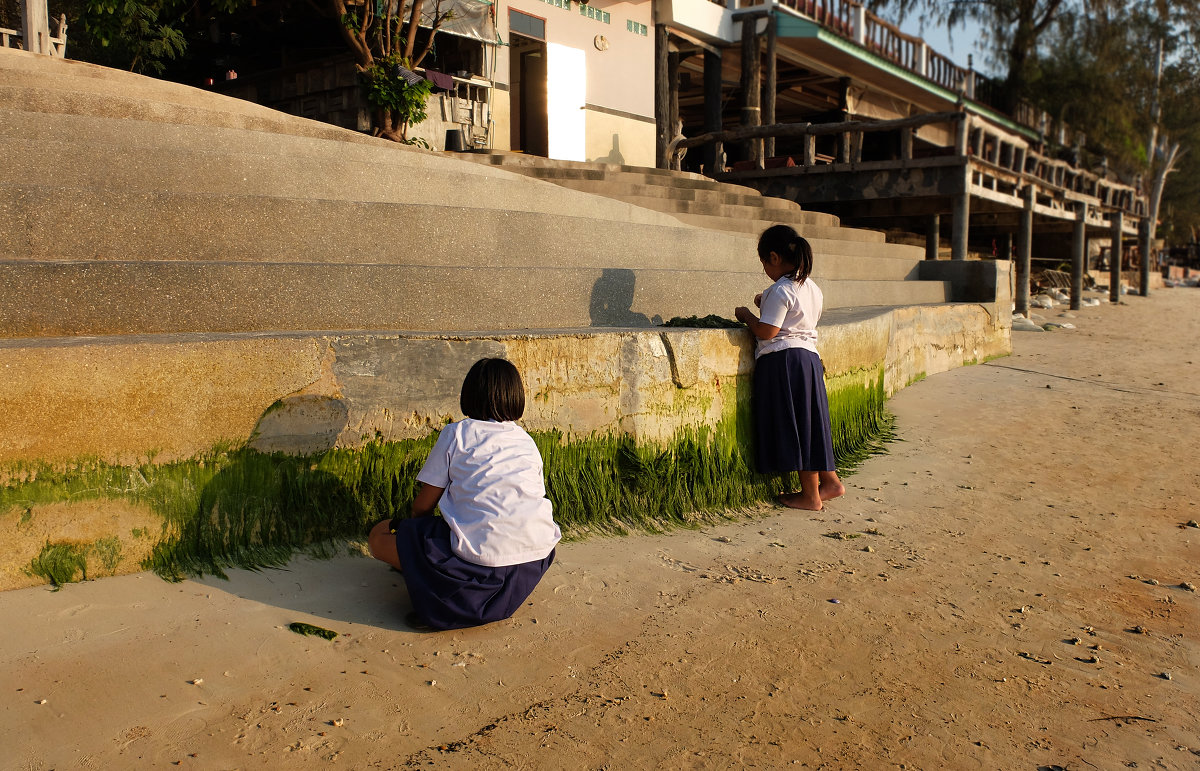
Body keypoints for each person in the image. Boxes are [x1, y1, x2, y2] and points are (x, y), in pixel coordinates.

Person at [368, 358, 561, 630]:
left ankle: (440, 589)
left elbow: (422, 508)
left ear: (469, 394)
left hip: (481, 560)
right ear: (515, 397)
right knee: (470, 541)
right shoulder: (526, 441)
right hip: (532, 560)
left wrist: (407, 530)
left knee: (378, 537)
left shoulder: (457, 433)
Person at [734, 224, 846, 511]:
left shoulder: (780, 289)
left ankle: (810, 495)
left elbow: (767, 332)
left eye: (764, 264)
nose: (765, 271)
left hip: (784, 362)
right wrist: (765, 302)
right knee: (811, 422)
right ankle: (830, 482)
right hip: (808, 359)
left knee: (796, 425)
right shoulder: (811, 287)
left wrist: (747, 315)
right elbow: (797, 318)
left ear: (773, 257)